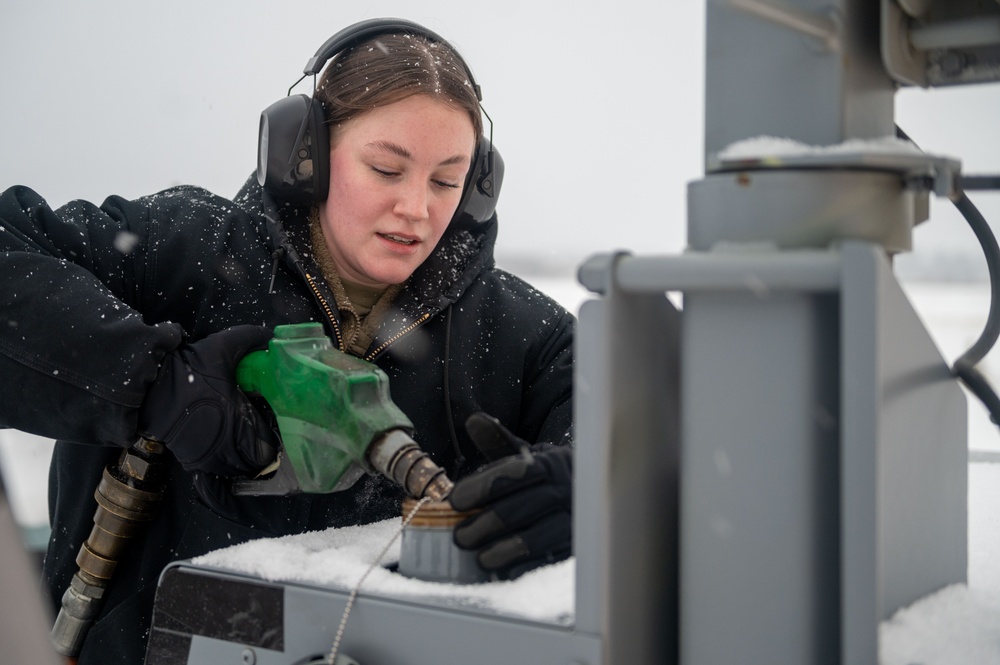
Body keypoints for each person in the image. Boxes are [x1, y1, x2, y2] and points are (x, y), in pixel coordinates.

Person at [0, 18, 573, 665]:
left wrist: (582, 488)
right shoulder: (181, 252)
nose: (417, 206)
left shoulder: (525, 336)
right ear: (304, 155)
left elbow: (655, 439)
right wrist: (160, 385)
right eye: (387, 168)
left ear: (477, 190)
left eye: (446, 180)